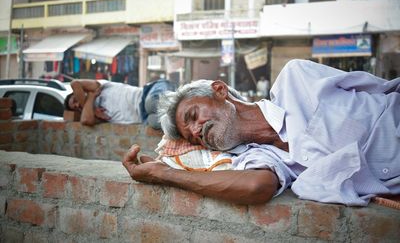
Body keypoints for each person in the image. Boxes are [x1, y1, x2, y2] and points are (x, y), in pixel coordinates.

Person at [122, 59, 400, 206]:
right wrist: (164, 174)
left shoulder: (296, 78)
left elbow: (384, 89)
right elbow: (256, 188)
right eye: (193, 136)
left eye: (193, 115)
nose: (197, 130)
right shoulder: (256, 159)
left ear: (219, 91)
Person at [64, 78, 175, 129]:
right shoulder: (96, 115)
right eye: (75, 108)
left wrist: (91, 96)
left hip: (148, 93)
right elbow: (86, 120)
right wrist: (91, 102)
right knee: (157, 123)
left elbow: (75, 83)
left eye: (75, 100)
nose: (77, 105)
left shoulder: (98, 87)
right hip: (144, 117)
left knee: (151, 104)